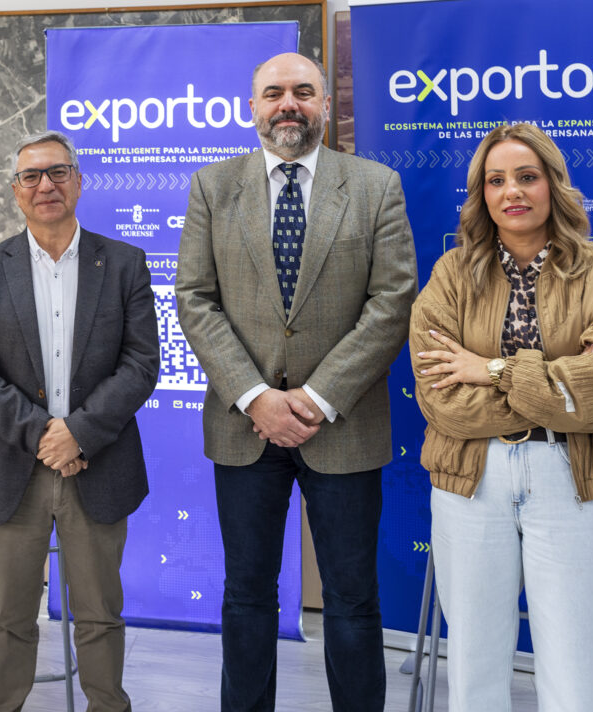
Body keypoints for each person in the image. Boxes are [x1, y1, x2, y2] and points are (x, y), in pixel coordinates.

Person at [175, 52, 417, 711]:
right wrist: (257, 397)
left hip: (344, 424)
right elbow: (195, 298)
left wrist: (314, 398)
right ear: (252, 107)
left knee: (352, 598)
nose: (289, 104)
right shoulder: (212, 187)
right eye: (275, 92)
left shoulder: (375, 186)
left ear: (324, 105)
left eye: (304, 92)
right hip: (244, 427)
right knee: (246, 595)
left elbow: (392, 301)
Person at [410, 123, 593, 711]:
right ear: (482, 195)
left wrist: (491, 369)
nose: (511, 190)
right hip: (471, 481)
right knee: (474, 666)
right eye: (496, 180)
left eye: (526, 176)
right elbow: (442, 398)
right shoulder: (451, 276)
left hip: (573, 479)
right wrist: (555, 386)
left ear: (552, 185)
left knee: (575, 672)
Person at [0, 130, 159, 712]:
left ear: (79, 182)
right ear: (15, 191)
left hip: (99, 463)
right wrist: (46, 436)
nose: (45, 185)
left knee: (100, 615)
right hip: (13, 467)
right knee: (10, 617)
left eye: (57, 172)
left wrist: (80, 433)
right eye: (31, 176)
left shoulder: (124, 263)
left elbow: (142, 364)